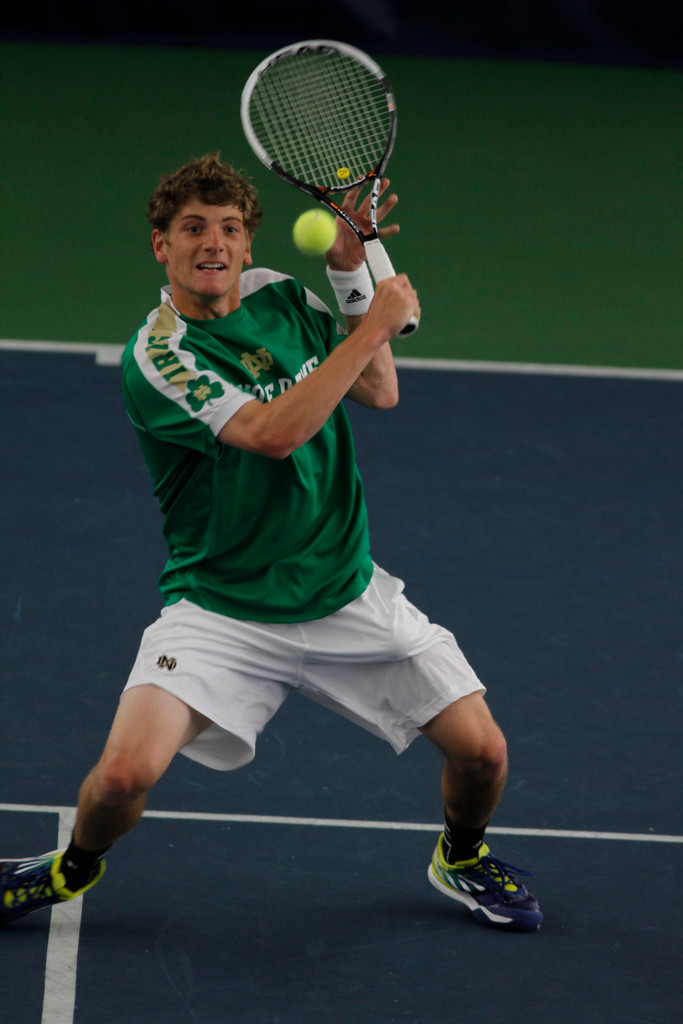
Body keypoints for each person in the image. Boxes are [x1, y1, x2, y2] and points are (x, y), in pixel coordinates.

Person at [0, 153, 541, 931]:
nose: (212, 243)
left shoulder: (281, 298)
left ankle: (459, 858)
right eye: (192, 229)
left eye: (228, 228)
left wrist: (351, 277)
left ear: (250, 246)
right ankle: (68, 868)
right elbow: (273, 433)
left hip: (341, 591)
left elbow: (379, 389)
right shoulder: (157, 355)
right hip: (221, 609)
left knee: (483, 754)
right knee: (120, 779)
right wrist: (375, 323)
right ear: (161, 246)